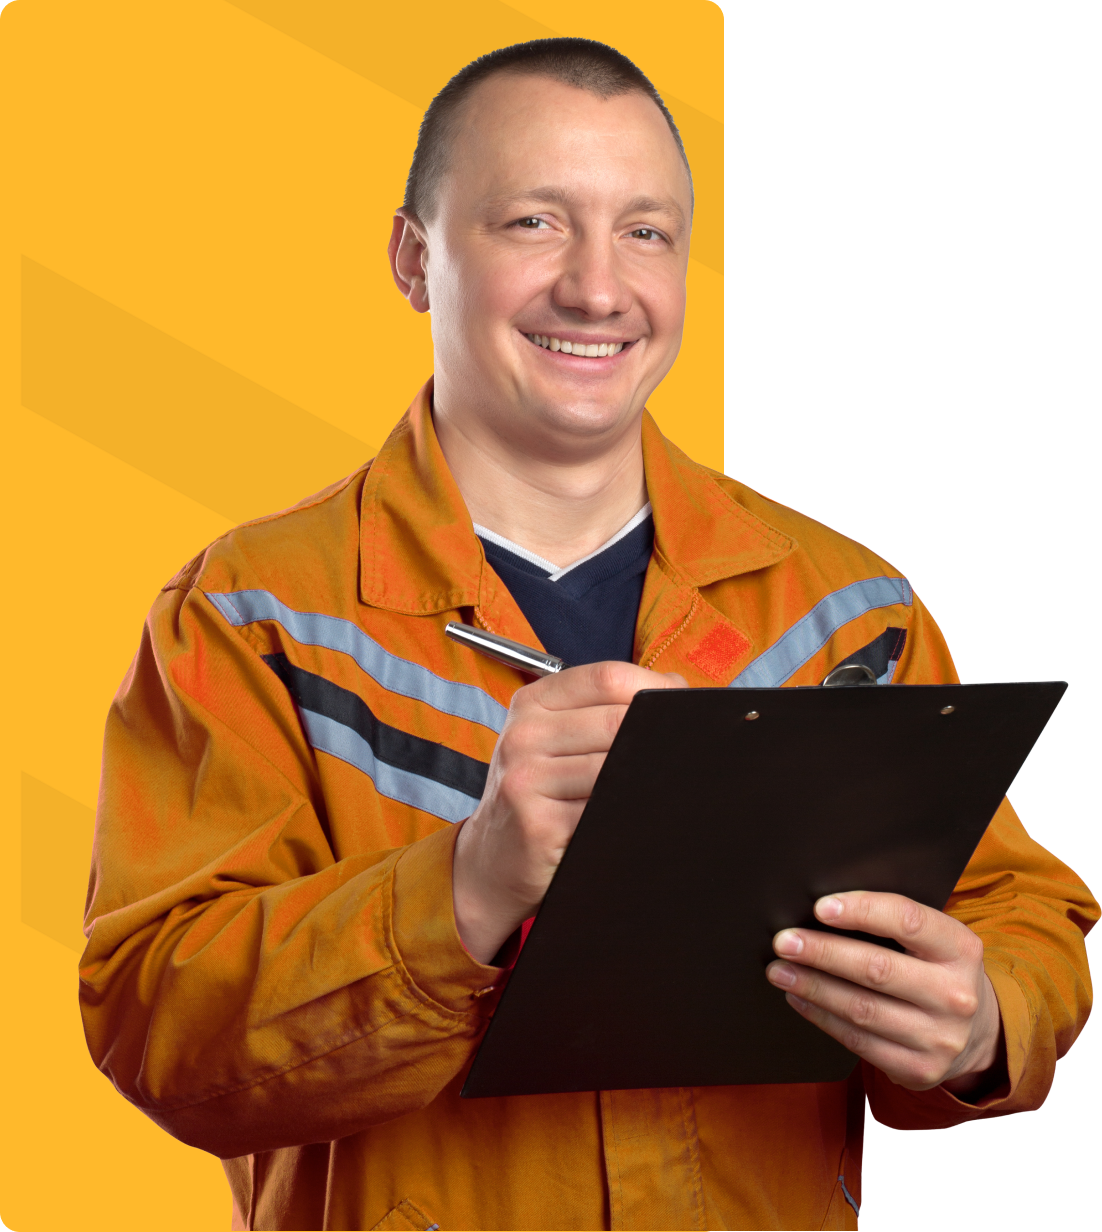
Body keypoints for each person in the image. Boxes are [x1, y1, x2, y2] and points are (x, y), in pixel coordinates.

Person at [80, 38, 1097, 1232]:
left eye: (646, 231)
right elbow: (158, 1025)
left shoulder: (845, 612)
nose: (599, 287)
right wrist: (466, 884)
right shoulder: (255, 617)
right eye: (533, 223)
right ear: (414, 259)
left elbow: (1022, 915)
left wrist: (981, 1022)